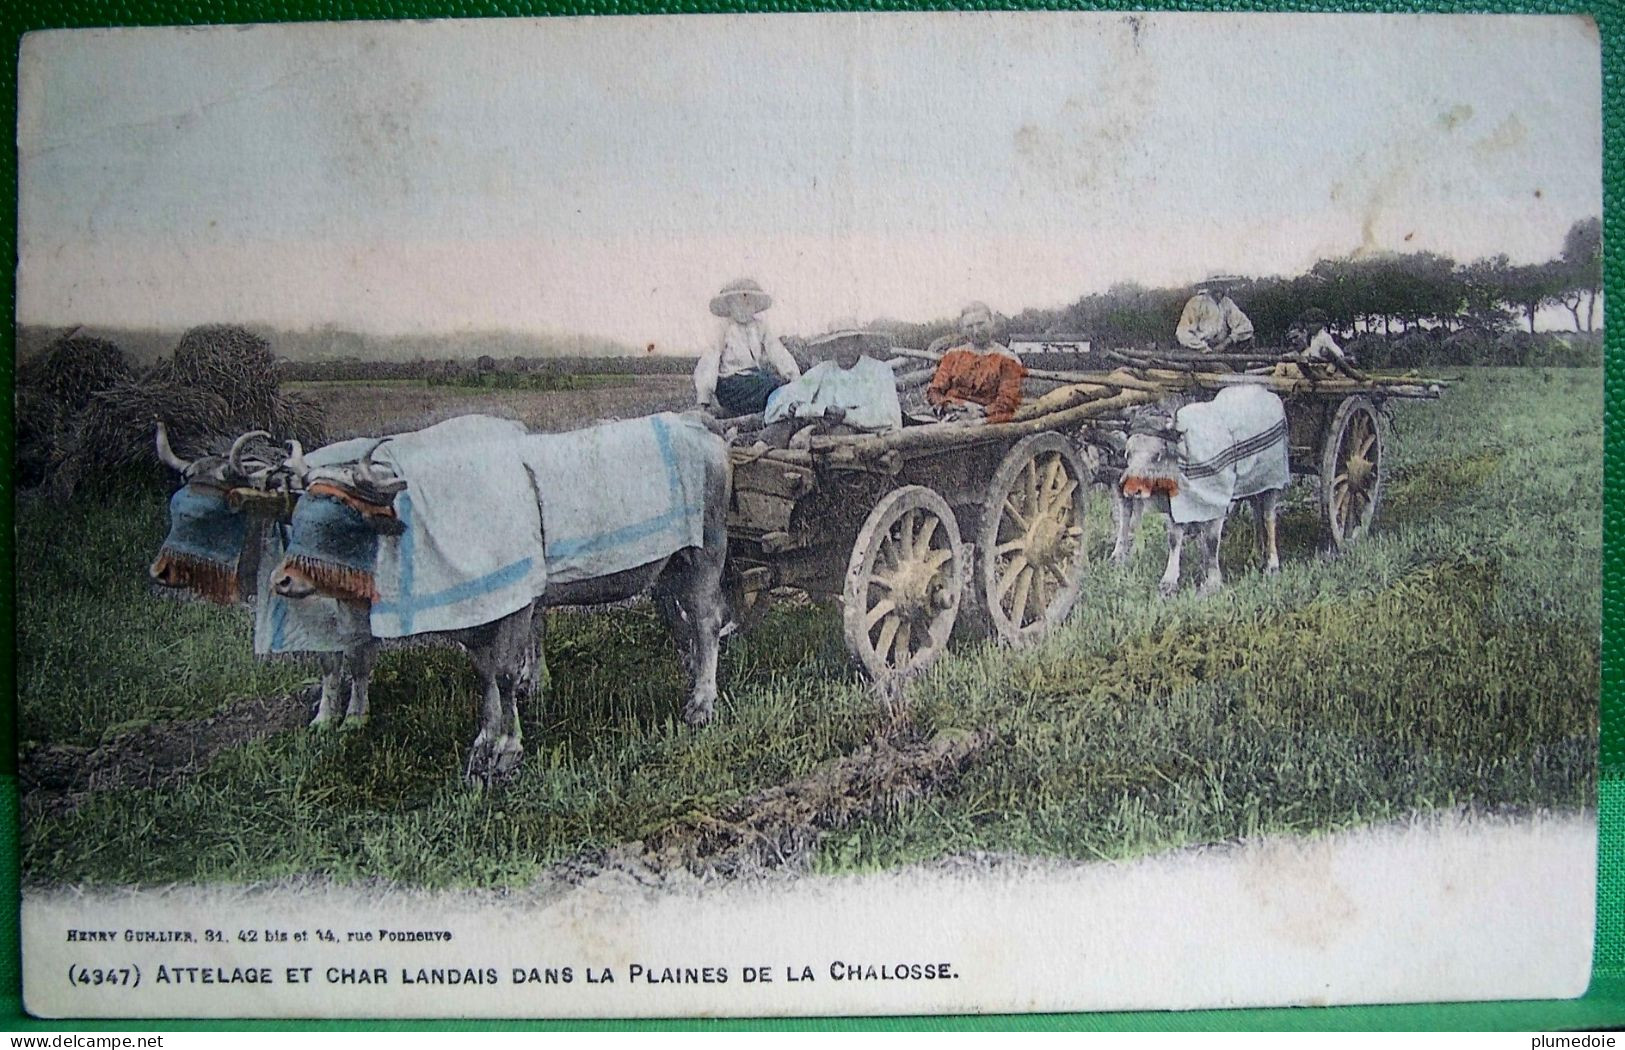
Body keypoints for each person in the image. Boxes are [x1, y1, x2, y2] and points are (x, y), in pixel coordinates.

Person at [757, 331, 902, 448]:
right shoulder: (823, 370)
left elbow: (891, 416)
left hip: (859, 432)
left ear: (859, 343)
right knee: (779, 430)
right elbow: (786, 394)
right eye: (839, 344)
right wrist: (789, 407)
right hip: (820, 424)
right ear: (832, 346)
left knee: (839, 436)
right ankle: (758, 455)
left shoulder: (879, 370)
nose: (844, 351)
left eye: (849, 343)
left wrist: (847, 415)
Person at [693, 278, 802, 417]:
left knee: (778, 383)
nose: (743, 308)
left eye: (748, 303)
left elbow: (777, 351)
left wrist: (794, 377)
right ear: (729, 305)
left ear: (755, 305)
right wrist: (704, 397)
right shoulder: (724, 328)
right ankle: (775, 408)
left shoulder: (760, 327)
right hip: (731, 383)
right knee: (770, 386)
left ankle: (783, 407)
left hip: (754, 379)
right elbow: (710, 358)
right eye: (738, 303)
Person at [922, 302, 1025, 424]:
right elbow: (935, 391)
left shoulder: (1008, 359)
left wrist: (980, 412)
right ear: (963, 328)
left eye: (980, 324)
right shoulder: (953, 355)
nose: (976, 331)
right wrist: (950, 406)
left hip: (985, 420)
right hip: (949, 415)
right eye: (969, 327)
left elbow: (1007, 400)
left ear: (991, 321)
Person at [1274, 307, 1365, 380]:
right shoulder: (1314, 338)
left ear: (1321, 324)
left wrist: (1330, 370)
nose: (1309, 326)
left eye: (1311, 323)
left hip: (1325, 368)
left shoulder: (1324, 337)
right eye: (1307, 324)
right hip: (1316, 366)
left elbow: (1339, 354)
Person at [1176, 275, 1255, 352]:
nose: (1219, 289)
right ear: (1209, 286)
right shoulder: (1196, 302)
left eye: (1222, 285)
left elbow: (1245, 325)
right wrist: (1203, 348)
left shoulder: (1226, 303)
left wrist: (1227, 342)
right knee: (1220, 365)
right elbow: (1183, 333)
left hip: (1221, 349)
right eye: (1216, 285)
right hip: (1198, 349)